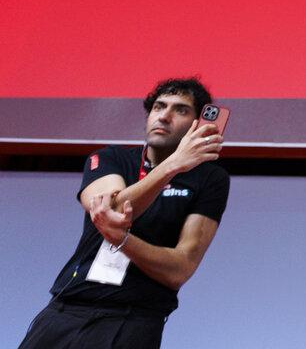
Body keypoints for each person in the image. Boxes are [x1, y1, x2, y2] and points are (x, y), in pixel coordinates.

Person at [18, 76, 229, 349]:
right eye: (159, 106)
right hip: (66, 309)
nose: (164, 116)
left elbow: (180, 269)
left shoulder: (210, 178)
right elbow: (108, 209)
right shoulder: (111, 158)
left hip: (134, 319)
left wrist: (123, 240)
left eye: (180, 110)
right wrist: (172, 166)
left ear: (196, 125)